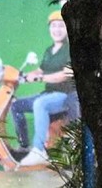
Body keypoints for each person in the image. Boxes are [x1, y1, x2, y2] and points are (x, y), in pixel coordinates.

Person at [16, 9, 79, 166]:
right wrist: (25, 75)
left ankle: (39, 150)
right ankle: (24, 146)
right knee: (16, 105)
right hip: (48, 93)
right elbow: (41, 69)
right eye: (54, 26)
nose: (57, 30)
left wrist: (40, 77)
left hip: (65, 96)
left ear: (66, 29)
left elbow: (64, 75)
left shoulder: (70, 49)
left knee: (40, 104)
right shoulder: (49, 51)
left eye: (61, 26)